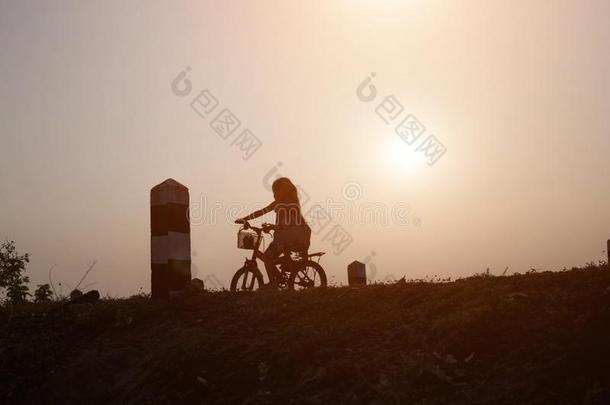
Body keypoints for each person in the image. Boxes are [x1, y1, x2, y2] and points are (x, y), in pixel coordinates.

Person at [235, 177, 311, 288]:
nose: (274, 193)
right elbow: (261, 212)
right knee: (270, 257)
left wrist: (273, 227)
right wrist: (245, 219)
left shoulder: (289, 205)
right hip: (286, 237)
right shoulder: (280, 203)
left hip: (294, 236)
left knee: (267, 256)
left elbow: (290, 225)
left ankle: (273, 282)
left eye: (276, 190)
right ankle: (278, 278)